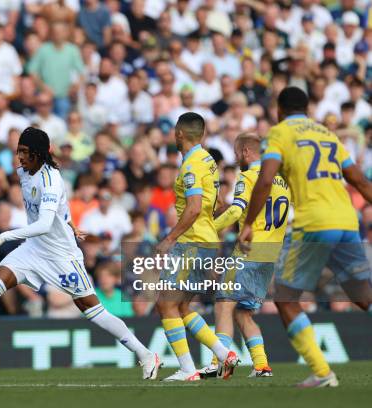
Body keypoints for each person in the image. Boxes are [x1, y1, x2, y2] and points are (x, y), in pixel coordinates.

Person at [0, 127, 160, 379]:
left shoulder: (51, 179)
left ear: (37, 153)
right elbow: (60, 209)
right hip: (34, 249)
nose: (20, 157)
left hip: (61, 255)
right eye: (18, 152)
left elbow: (45, 224)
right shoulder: (24, 173)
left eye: (24, 152)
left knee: (93, 310)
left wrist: (3, 236)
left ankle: (145, 354)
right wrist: (70, 223)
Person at [238, 87, 372, 388]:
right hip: (347, 220)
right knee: (364, 299)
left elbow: (265, 178)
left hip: (314, 223)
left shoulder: (280, 133)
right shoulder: (327, 134)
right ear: (308, 109)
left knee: (285, 298)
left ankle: (322, 372)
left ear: (279, 110)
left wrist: (248, 222)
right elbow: (360, 180)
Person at [155, 112, 239, 382]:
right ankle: (224, 354)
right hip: (207, 241)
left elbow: (193, 208)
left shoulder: (191, 165)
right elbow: (216, 204)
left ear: (179, 133)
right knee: (181, 307)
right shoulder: (208, 160)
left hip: (192, 242)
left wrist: (169, 238)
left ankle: (187, 369)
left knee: (165, 304)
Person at [199, 133, 290, 379]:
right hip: (270, 253)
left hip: (249, 250)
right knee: (242, 312)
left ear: (247, 153)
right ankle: (261, 365)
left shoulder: (248, 177)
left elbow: (235, 211)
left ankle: (219, 361)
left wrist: (209, 228)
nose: (237, 158)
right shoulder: (281, 181)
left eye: (237, 153)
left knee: (223, 305)